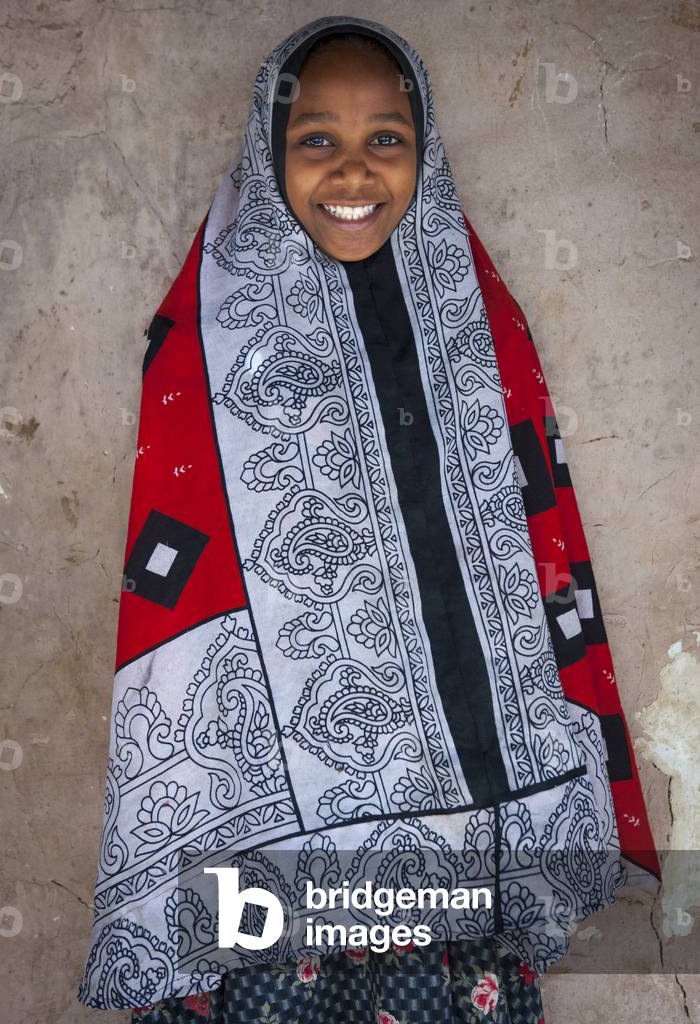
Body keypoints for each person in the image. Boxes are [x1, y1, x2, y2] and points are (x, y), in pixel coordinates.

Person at [78, 16, 660, 1024]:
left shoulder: (481, 317)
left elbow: (532, 540)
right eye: (318, 140)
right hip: (280, 842)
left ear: (423, 147)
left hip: (469, 814)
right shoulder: (205, 335)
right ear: (271, 148)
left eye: (385, 137)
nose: (353, 169)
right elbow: (183, 594)